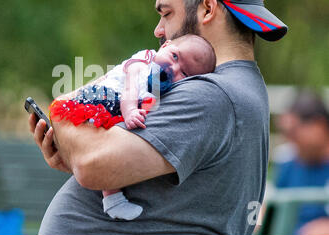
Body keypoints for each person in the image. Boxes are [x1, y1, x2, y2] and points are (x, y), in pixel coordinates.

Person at [29, 0, 288, 235]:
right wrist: (74, 152)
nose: (158, 30)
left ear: (207, 9)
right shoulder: (239, 88)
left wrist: (64, 114)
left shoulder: (212, 94)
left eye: (167, 13)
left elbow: (94, 162)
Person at [49, 34, 216, 220]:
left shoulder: (164, 86)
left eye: (184, 73)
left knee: (108, 152)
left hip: (115, 107)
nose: (174, 68)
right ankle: (113, 199)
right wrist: (129, 112)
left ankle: (110, 197)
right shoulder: (145, 61)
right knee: (104, 150)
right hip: (105, 99)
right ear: (165, 45)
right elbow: (130, 89)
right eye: (175, 56)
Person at [274, 90, 329, 235]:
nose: (289, 139)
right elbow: (272, 211)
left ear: (319, 126)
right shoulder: (287, 164)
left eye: (293, 132)